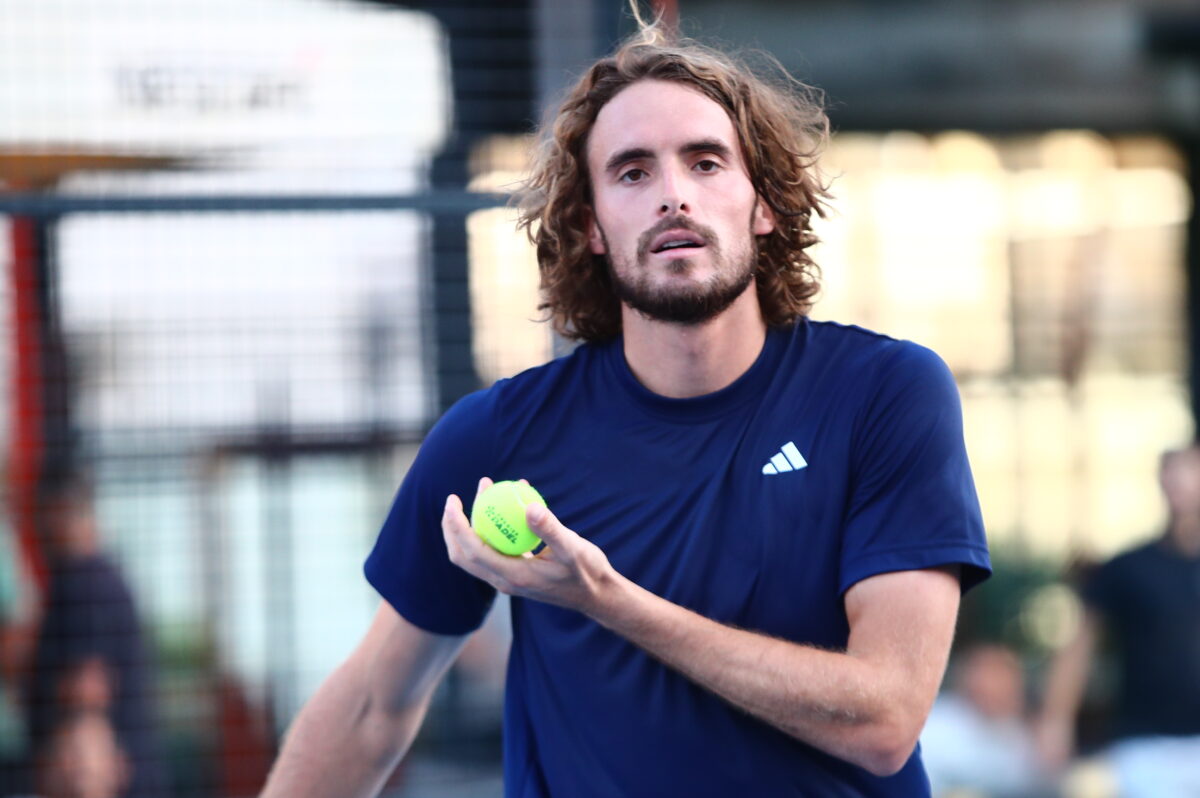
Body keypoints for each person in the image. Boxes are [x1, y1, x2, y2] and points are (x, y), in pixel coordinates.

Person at [262, 19, 990, 797]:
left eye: (705, 162)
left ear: (764, 205)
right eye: (633, 172)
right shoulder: (496, 438)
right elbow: (372, 708)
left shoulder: (883, 394)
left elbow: (884, 720)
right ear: (591, 227)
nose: (674, 194)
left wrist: (601, 598)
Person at [1036, 446, 1200, 798]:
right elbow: (1079, 647)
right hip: (1146, 747)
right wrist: (1055, 721)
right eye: (1172, 470)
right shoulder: (1129, 568)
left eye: (1190, 468)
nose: (1181, 480)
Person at [25, 477, 168, 798]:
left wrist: (81, 777)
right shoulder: (105, 576)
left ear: (60, 513)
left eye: (44, 517)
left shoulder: (82, 579)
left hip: (107, 779)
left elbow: (88, 691)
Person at [921, 643, 1049, 797]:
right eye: (991, 673)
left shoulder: (1019, 737)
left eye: (1004, 675)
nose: (997, 685)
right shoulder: (935, 723)